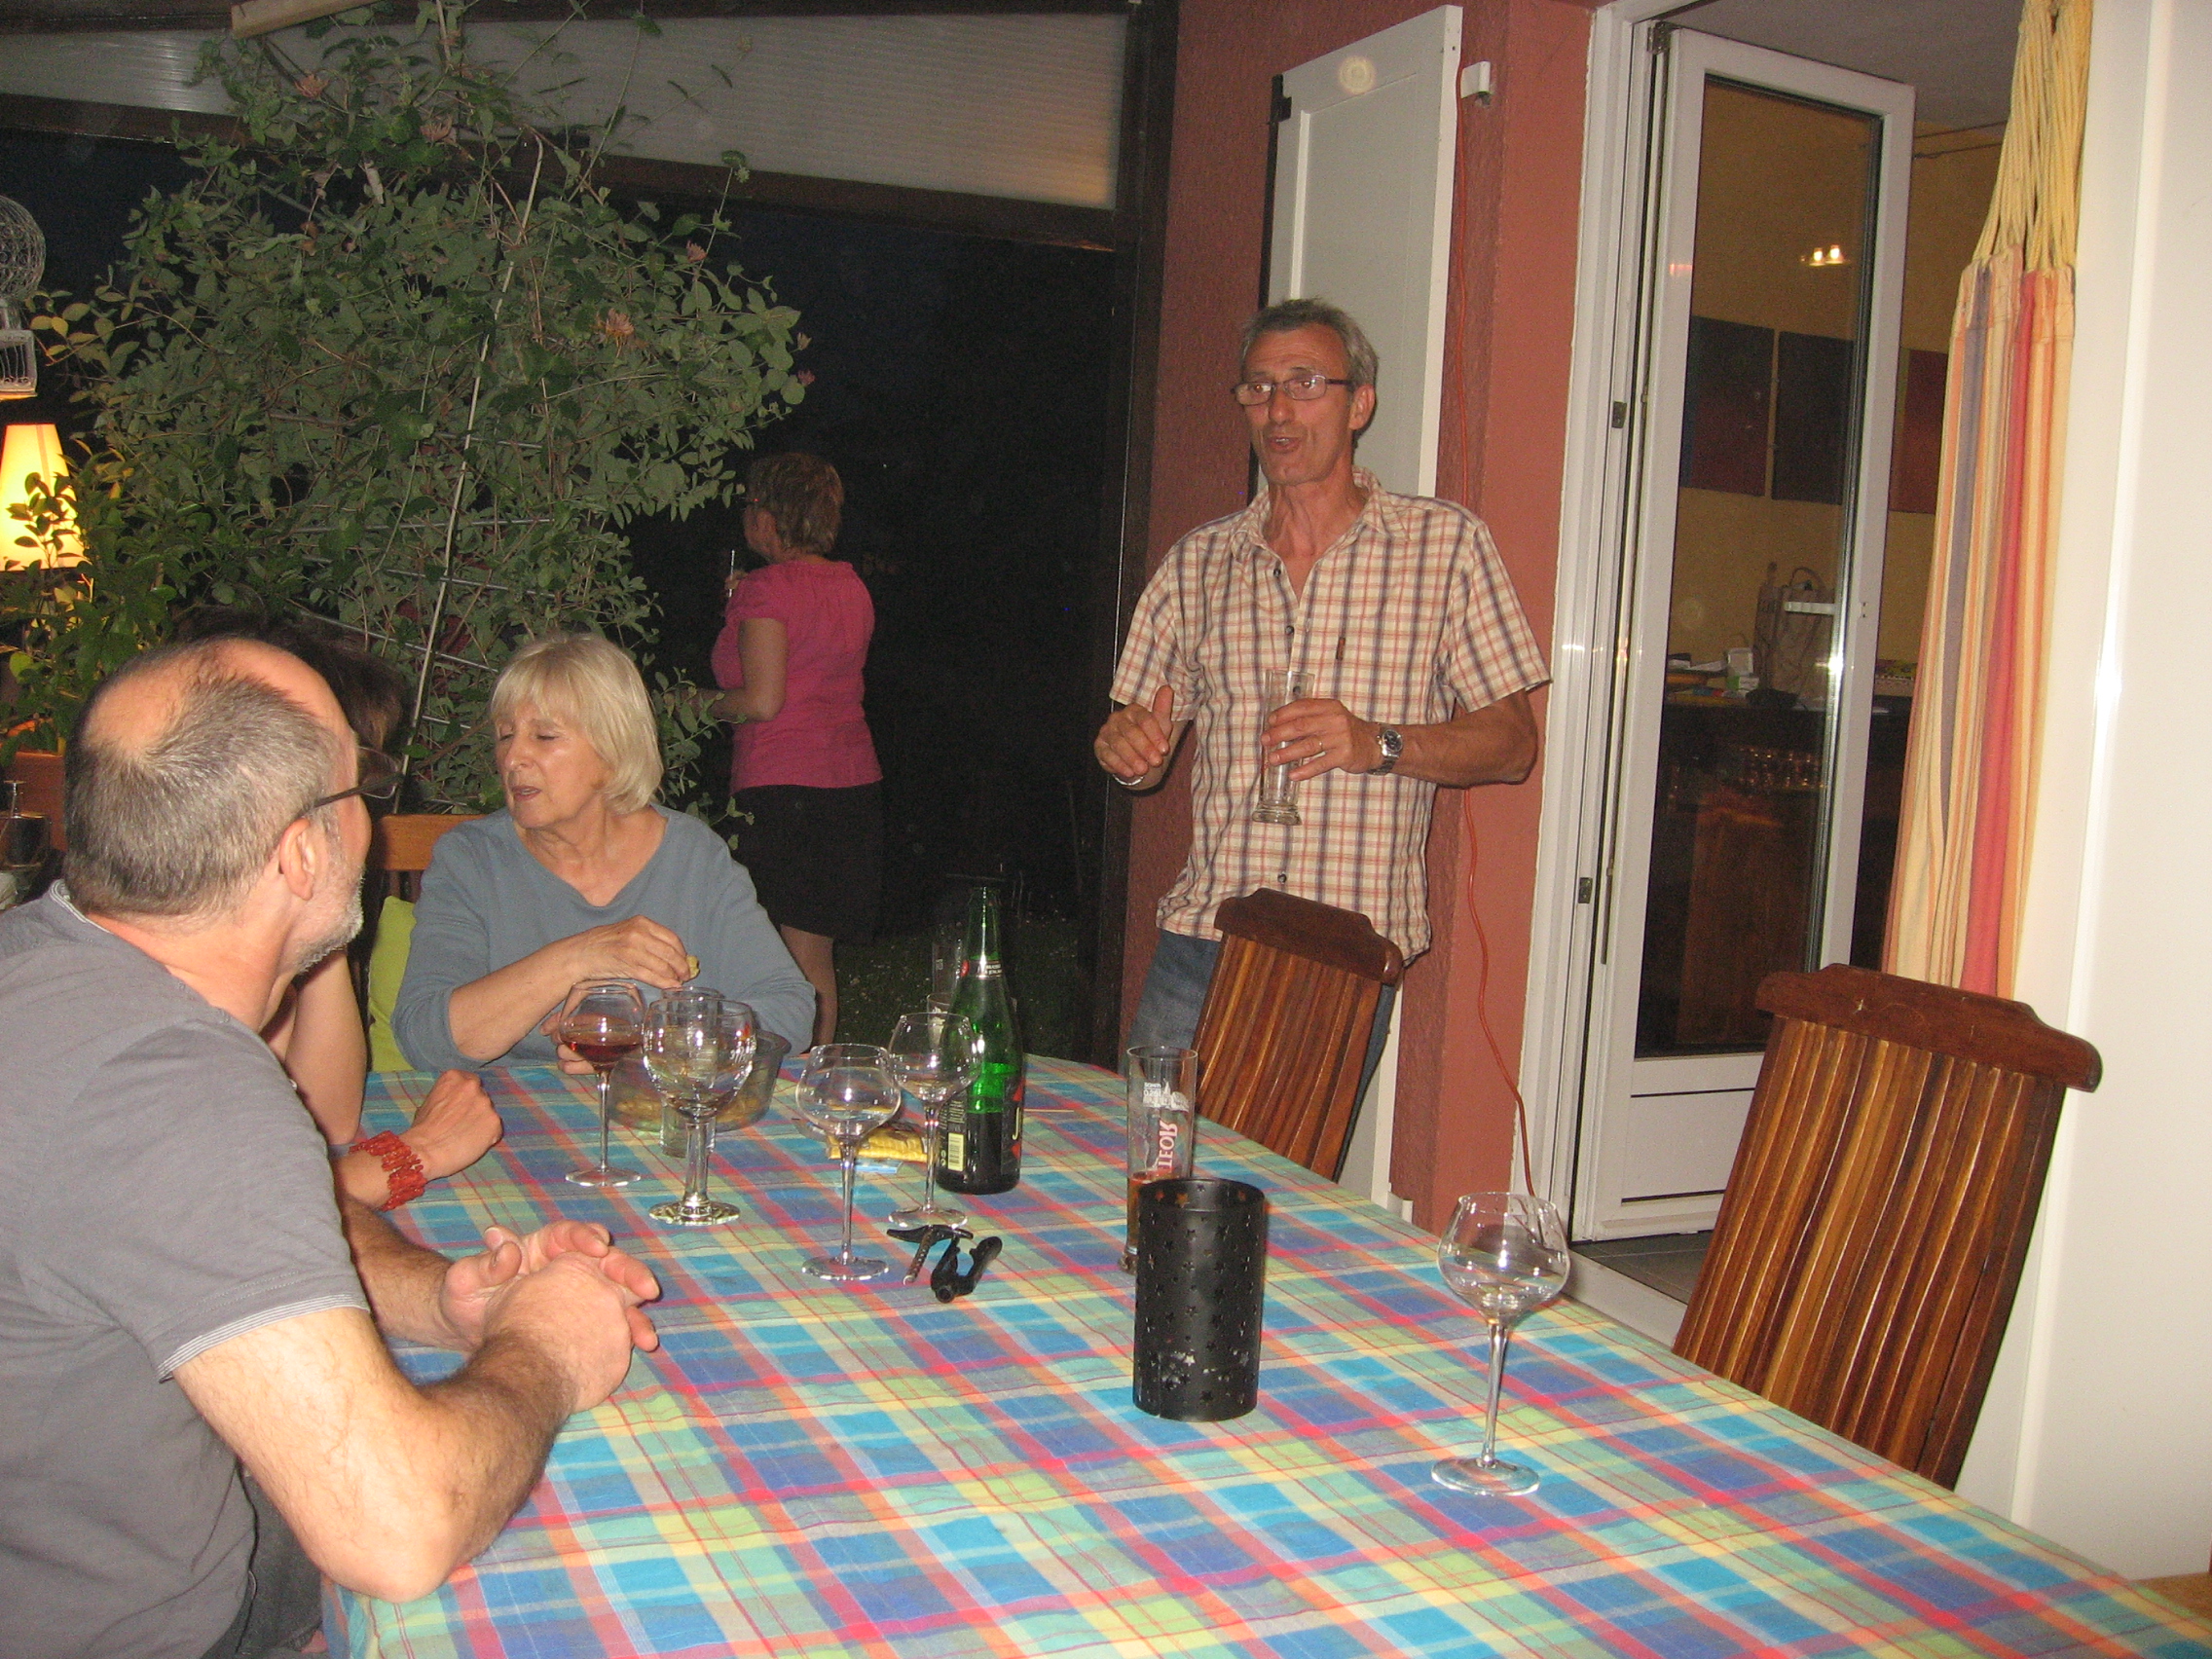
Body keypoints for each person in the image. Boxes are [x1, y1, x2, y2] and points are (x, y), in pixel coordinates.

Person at [0, 637, 661, 1659]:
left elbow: (213, 1229)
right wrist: (545, 1347)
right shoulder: (179, 1088)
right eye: (362, 790)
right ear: (302, 853)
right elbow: (396, 1530)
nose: (374, 820)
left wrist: (441, 1299)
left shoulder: (44, 962)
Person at [1096, 298, 1549, 1059]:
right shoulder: (1198, 563)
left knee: (1281, 1152)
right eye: (1259, 387)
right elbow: (1140, 750)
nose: (1278, 409)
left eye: (1305, 383)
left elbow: (1513, 746)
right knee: (1151, 1137)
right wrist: (1126, 751)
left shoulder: (1444, 547)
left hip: (1346, 951)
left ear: (1359, 404)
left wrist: (1378, 743)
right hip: (1206, 938)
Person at [174, 608, 501, 1208]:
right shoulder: (163, 969)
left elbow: (327, 1117)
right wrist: (414, 1155)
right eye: (359, 782)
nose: (368, 819)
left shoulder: (238, 930)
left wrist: (321, 921)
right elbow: (218, 1210)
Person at [392, 633, 814, 1070]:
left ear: (613, 749)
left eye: (544, 736)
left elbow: (790, 1009)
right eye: (505, 736)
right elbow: (425, 1039)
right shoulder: (472, 860)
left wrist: (656, 1043)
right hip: (512, 1107)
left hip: (660, 1102)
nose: (513, 758)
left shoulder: (691, 855)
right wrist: (580, 957)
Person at [709, 453, 882, 1045]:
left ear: (770, 515)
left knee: (775, 958)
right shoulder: (850, 585)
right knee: (813, 956)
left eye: (750, 504)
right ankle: (817, 1075)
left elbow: (760, 701)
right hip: (851, 783)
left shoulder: (767, 589)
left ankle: (784, 1078)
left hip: (784, 787)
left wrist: (690, 704)